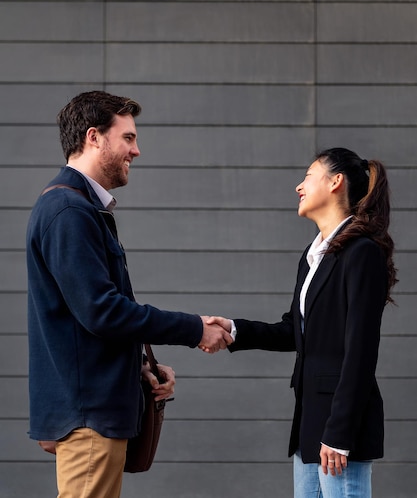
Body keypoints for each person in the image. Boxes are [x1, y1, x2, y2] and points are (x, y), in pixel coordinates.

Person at [26, 90, 232, 498]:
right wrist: (194, 328)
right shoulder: (70, 212)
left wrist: (140, 366)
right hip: (90, 418)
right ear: (94, 137)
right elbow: (102, 311)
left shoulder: (78, 208)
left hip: (92, 411)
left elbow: (86, 317)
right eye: (128, 138)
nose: (136, 151)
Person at [207, 147, 397, 498]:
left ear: (336, 182)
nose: (299, 186)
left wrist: (339, 433)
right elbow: (293, 330)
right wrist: (233, 329)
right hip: (310, 424)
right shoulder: (314, 256)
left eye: (308, 176)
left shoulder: (362, 253)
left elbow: (361, 350)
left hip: (340, 430)